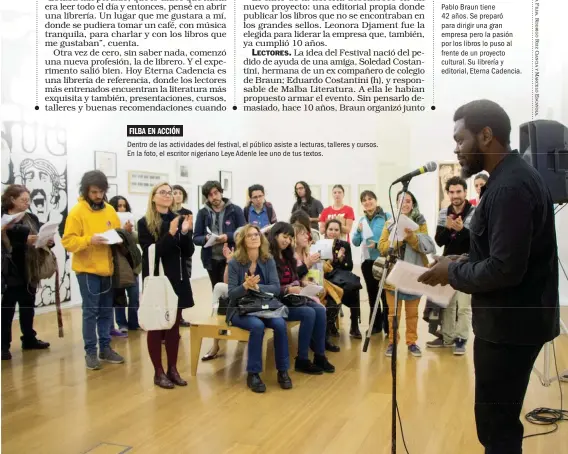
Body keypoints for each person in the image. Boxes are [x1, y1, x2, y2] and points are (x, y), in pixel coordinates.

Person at [418, 99, 560, 454]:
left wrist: (452, 271)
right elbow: (503, 252)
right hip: (513, 323)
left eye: (461, 139)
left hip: (510, 327)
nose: (456, 148)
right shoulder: (509, 179)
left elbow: (505, 269)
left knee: (496, 429)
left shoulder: (510, 187)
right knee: (498, 423)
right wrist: (464, 258)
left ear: (486, 136)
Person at [62, 171, 124, 370]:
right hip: (87, 270)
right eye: (94, 192)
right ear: (86, 191)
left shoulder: (109, 210)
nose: (98, 196)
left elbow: (116, 232)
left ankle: (105, 348)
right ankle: (90, 352)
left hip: (108, 268)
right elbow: (68, 242)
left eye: (101, 191)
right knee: (90, 312)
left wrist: (122, 235)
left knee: (106, 311)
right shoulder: (77, 212)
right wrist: (89, 239)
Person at [138, 182, 195, 389]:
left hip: (177, 278)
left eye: (169, 192)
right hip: (156, 280)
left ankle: (173, 368)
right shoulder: (144, 223)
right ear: (153, 197)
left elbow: (187, 252)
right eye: (162, 192)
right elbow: (152, 253)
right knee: (155, 326)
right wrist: (171, 234)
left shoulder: (178, 219)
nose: (167, 195)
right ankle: (158, 372)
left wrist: (186, 233)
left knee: (174, 327)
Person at [227, 224, 292, 393]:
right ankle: (253, 374)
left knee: (279, 324)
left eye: (256, 234)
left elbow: (276, 288)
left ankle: (283, 371)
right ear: (243, 240)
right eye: (250, 235)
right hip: (241, 308)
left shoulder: (267, 259)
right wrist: (244, 286)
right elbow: (232, 294)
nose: (255, 237)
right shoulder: (235, 261)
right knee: (257, 326)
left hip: (264, 306)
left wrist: (257, 288)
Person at [269, 222, 335, 374]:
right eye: (284, 237)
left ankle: (319, 355)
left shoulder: (288, 256)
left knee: (319, 309)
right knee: (309, 312)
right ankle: (302, 359)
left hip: (292, 297)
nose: (287, 240)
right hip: (278, 301)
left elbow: (293, 277)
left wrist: (301, 283)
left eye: (289, 237)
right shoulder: (269, 259)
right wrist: (288, 289)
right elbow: (270, 288)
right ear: (275, 236)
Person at [379, 190, 435, 358]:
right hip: (392, 275)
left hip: (414, 274)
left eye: (408, 201)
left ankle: (411, 342)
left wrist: (411, 236)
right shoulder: (389, 222)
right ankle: (392, 343)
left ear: (413, 203)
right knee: (392, 314)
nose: (405, 203)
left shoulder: (420, 221)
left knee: (412, 314)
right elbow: (382, 248)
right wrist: (400, 238)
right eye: (401, 200)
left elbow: (426, 246)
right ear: (396, 203)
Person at [1, 185, 51, 360]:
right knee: (7, 309)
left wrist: (46, 240)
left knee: (28, 305)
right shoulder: (3, 218)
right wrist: (23, 241)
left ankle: (29, 338)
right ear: (12, 199)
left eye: (28, 200)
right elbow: (7, 245)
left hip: (29, 267)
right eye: (23, 200)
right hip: (8, 269)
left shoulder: (31, 218)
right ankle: (3, 345)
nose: (27, 203)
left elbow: (38, 237)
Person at [428, 176, 474, 355]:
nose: (455, 195)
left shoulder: (474, 212)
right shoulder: (443, 212)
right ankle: (447, 338)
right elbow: (439, 241)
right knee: (446, 302)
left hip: (467, 262)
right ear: (448, 193)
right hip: (447, 263)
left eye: (459, 192)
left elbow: (476, 241)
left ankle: (461, 339)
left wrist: (461, 230)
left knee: (463, 305)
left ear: (465, 192)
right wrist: (448, 228)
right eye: (452, 192)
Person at [194, 181, 245, 292]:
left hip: (232, 256)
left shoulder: (235, 210)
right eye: (210, 195)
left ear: (221, 192)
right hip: (211, 259)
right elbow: (196, 238)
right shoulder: (202, 213)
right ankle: (218, 309)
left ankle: (231, 309)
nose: (214, 197)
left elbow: (243, 232)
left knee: (231, 289)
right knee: (217, 289)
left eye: (216, 193)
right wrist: (206, 239)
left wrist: (227, 237)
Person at [352, 190, 391, 335]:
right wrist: (357, 231)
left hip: (383, 261)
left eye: (370, 199)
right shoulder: (361, 221)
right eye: (364, 200)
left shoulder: (386, 217)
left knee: (385, 295)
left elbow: (393, 239)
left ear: (376, 200)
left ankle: (388, 327)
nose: (367, 202)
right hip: (367, 262)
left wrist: (378, 245)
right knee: (372, 295)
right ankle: (375, 326)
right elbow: (356, 242)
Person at [323, 219, 362, 339]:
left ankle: (354, 325)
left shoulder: (345, 245)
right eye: (330, 229)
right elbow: (322, 267)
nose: (333, 232)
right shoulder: (320, 244)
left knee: (354, 287)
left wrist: (342, 260)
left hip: (341, 275)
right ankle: (331, 325)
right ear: (326, 230)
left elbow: (349, 266)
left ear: (340, 232)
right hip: (327, 277)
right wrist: (337, 259)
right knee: (344, 286)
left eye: (336, 230)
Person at [108, 195, 140, 334]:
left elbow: (138, 240)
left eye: (124, 206)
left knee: (134, 297)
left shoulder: (131, 225)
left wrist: (129, 232)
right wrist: (121, 232)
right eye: (118, 206)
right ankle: (122, 324)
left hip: (132, 266)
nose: (122, 209)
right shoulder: (109, 227)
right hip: (117, 268)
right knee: (119, 298)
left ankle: (134, 323)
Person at [172, 184, 193, 327]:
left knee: (184, 283)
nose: (177, 195)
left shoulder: (187, 212)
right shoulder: (168, 212)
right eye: (175, 192)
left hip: (184, 252)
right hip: (171, 252)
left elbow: (189, 231)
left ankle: (179, 316)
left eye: (180, 192)